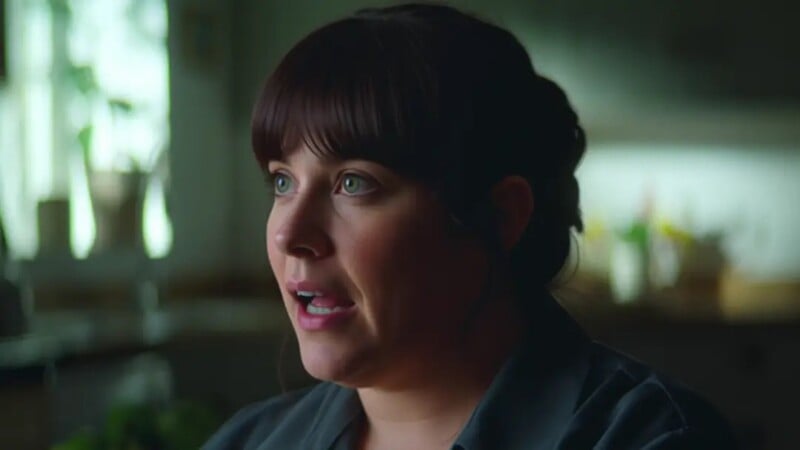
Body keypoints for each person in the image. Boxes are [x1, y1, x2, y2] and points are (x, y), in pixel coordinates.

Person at [204, 4, 736, 449]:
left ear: (500, 216)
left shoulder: (649, 438)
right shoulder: (248, 441)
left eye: (353, 184)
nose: (288, 234)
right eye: (282, 182)